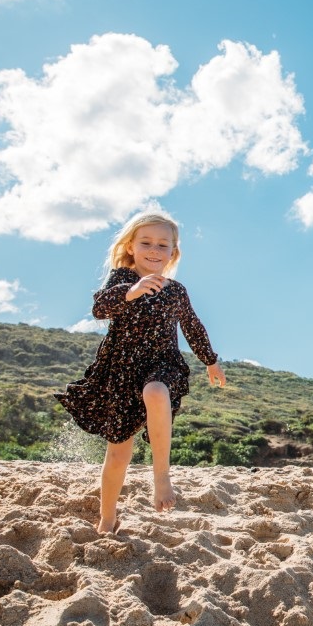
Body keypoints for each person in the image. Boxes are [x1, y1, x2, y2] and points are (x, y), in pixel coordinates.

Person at [55, 210, 225, 533]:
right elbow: (99, 308)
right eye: (146, 242)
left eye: (163, 245)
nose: (154, 250)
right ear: (131, 246)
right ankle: (107, 518)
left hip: (161, 364)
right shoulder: (121, 279)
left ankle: (161, 476)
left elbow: (192, 326)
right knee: (118, 454)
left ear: (173, 253)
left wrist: (210, 360)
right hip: (121, 371)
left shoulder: (176, 292)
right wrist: (131, 292)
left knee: (156, 391)